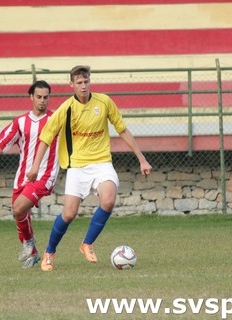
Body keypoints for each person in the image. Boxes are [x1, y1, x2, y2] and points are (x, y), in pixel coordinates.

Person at [27, 65, 152, 272]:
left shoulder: (104, 102)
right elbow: (45, 139)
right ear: (71, 85)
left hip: (102, 162)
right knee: (69, 214)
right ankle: (49, 252)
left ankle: (87, 243)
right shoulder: (66, 109)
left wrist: (142, 159)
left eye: (86, 82)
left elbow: (122, 130)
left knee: (109, 199)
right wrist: (34, 168)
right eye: (79, 83)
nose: (83, 86)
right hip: (77, 166)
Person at [0, 80, 59, 269]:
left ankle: (29, 245)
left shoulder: (56, 119)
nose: (43, 101)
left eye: (46, 97)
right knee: (18, 213)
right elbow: (2, 144)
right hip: (23, 176)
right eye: (39, 97)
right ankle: (33, 252)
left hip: (45, 175)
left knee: (19, 208)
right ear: (31, 97)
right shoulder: (20, 122)